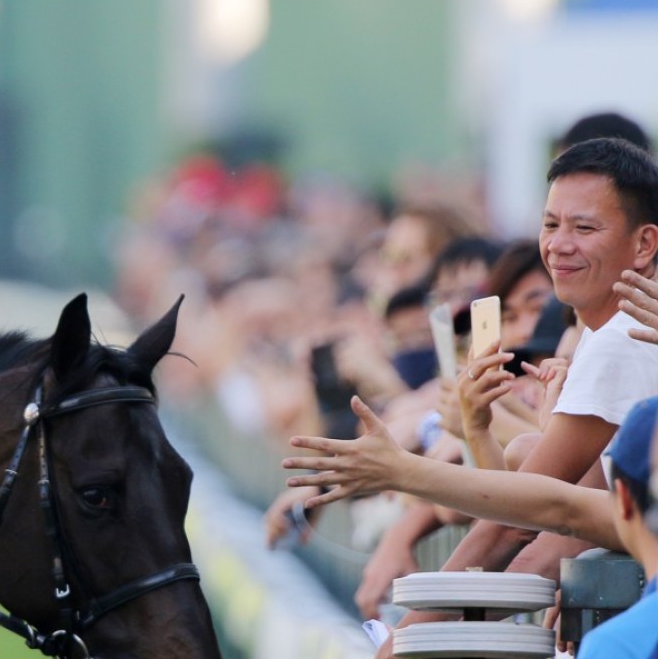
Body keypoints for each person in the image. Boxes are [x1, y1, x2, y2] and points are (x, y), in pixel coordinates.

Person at [360, 136, 658, 657]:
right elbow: (544, 526)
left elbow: (516, 522)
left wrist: (402, 641)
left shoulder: (623, 336)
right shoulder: (603, 329)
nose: (559, 245)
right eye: (550, 224)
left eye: (584, 228)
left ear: (644, 244)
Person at [281, 394, 658, 657]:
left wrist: (403, 472)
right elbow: (557, 507)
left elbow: (556, 508)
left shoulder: (621, 644)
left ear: (622, 499)